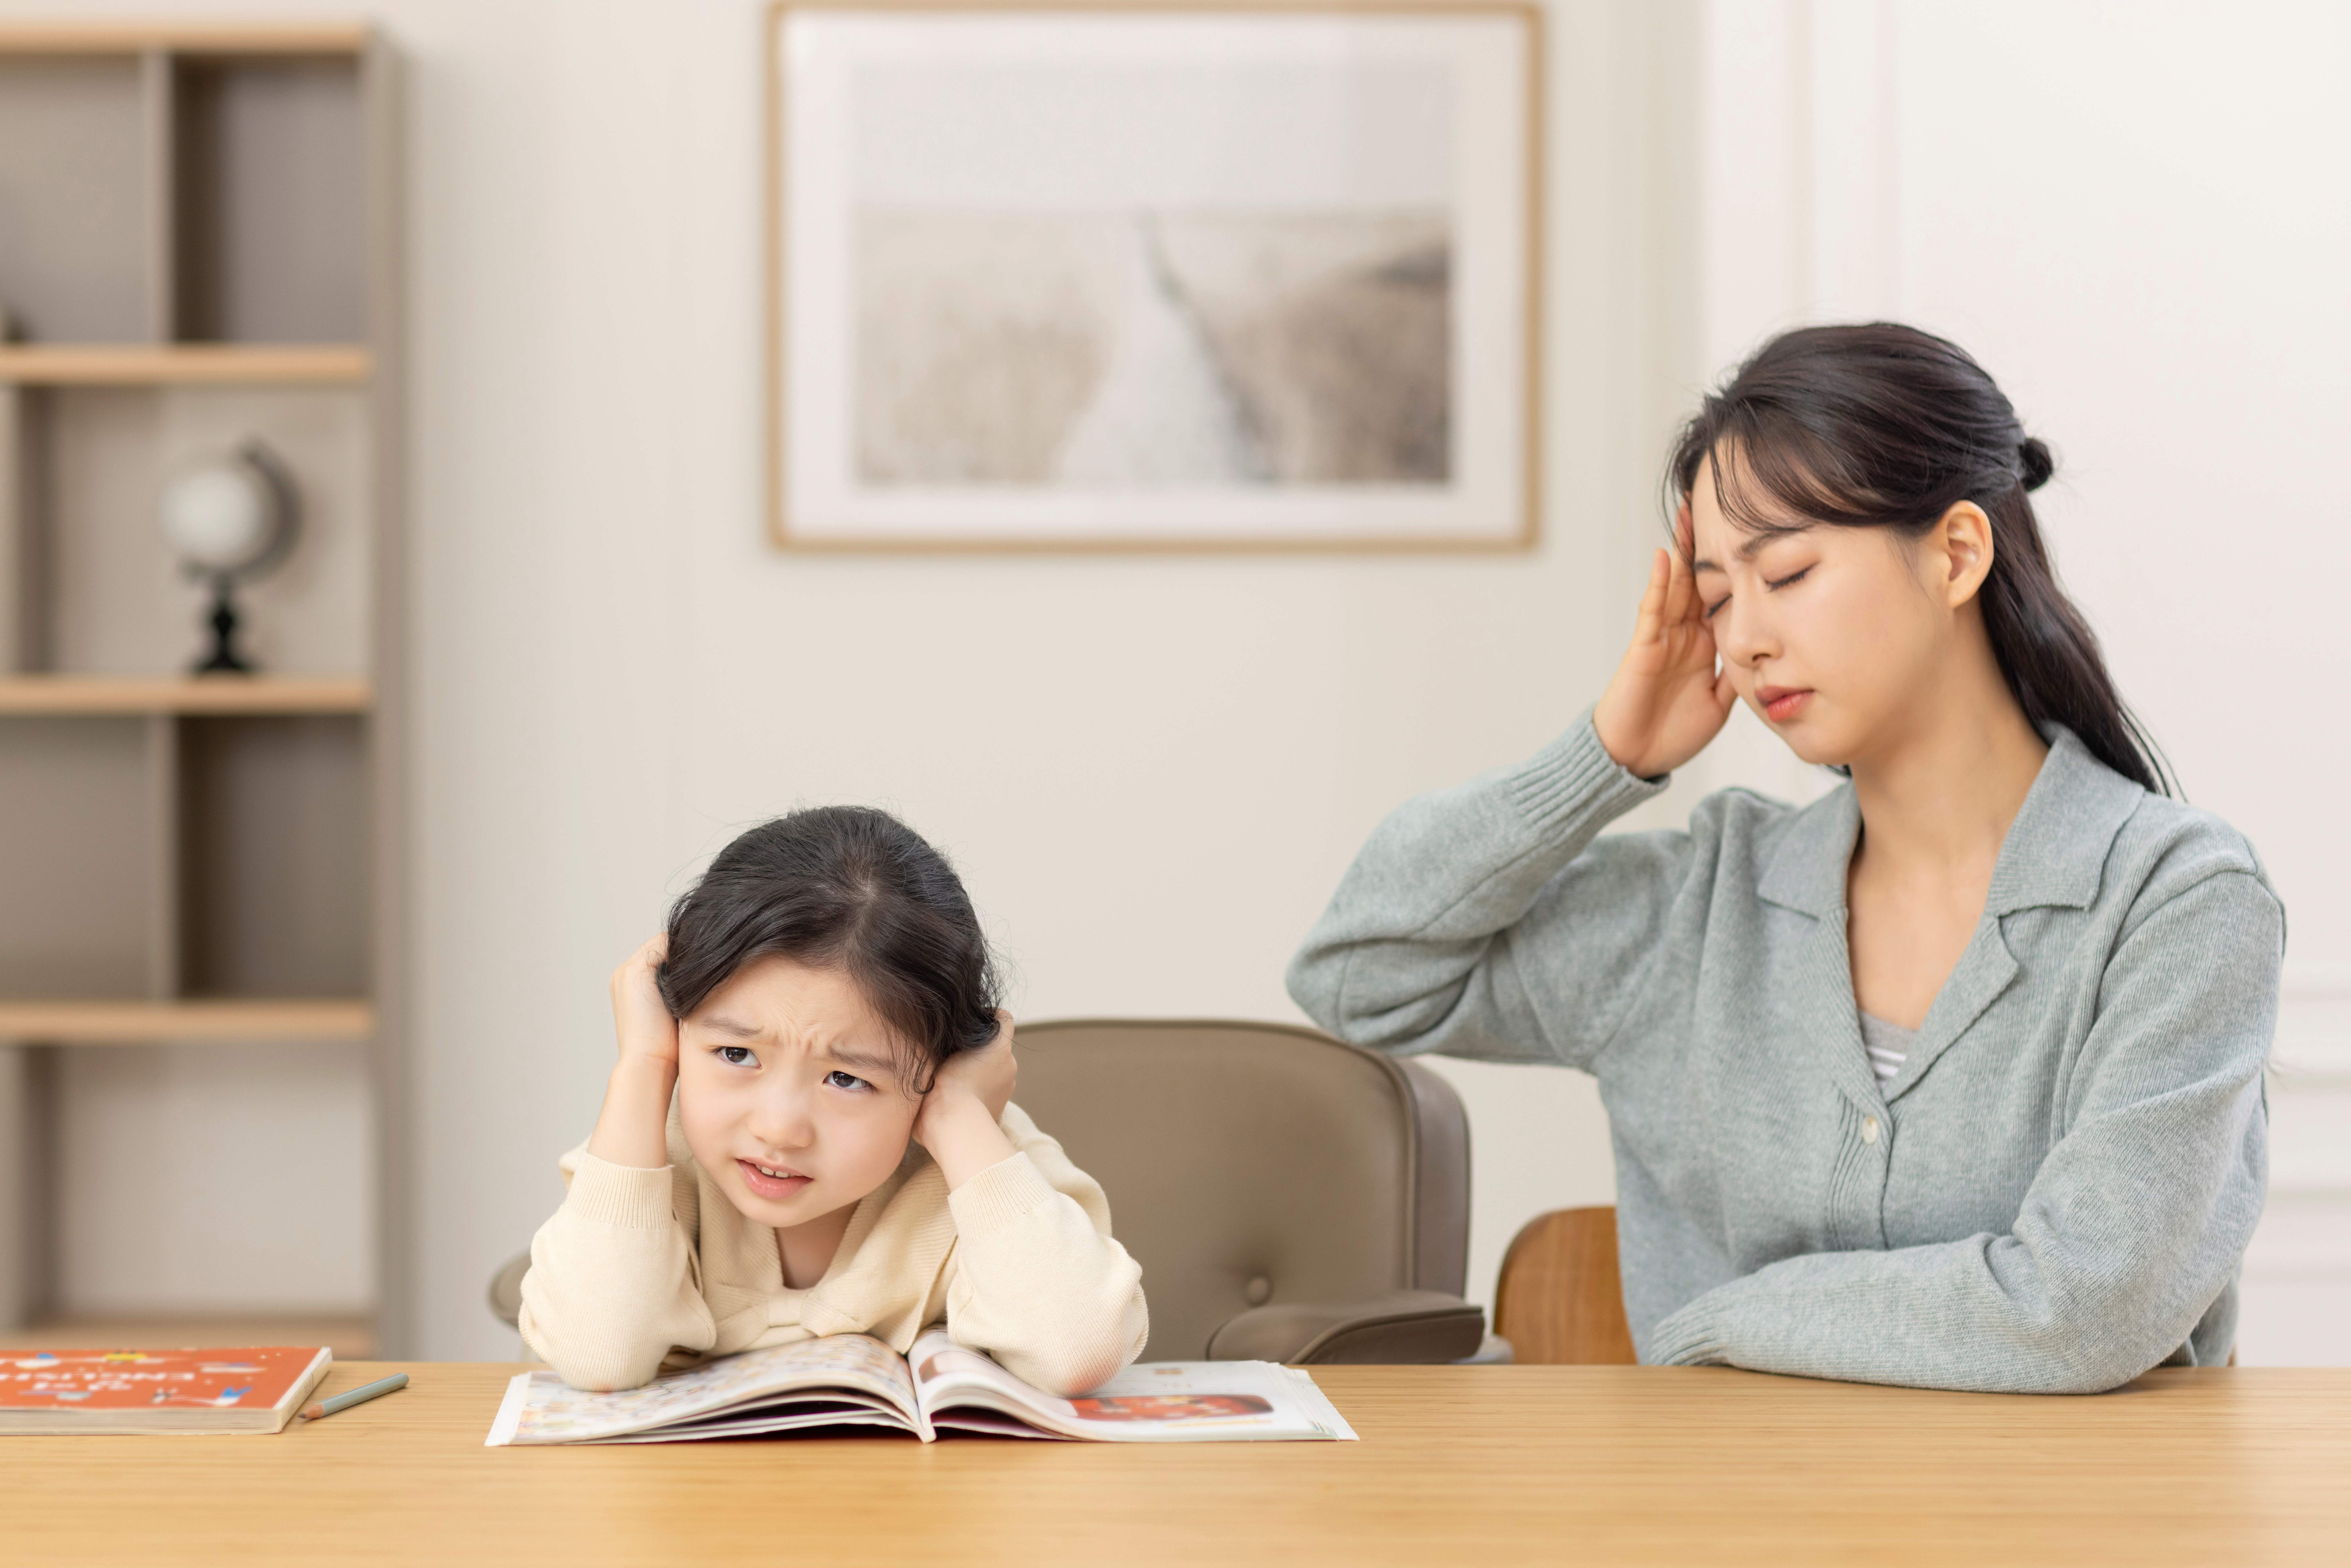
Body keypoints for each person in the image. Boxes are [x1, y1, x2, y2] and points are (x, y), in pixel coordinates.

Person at [1288, 323, 2283, 1394]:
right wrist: (1605, 758)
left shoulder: (2177, 904)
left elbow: (2083, 1307)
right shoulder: (1700, 908)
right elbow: (1358, 971)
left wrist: (1726, 1320)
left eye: (1789, 572)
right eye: (1718, 598)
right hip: (1732, 1496)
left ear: (1957, 553)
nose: (1743, 639)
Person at [519, 806, 1148, 1395]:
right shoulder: (648, 1157)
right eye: (736, 1053)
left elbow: (1079, 1353)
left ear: (941, 1068)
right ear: (676, 1024)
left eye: (847, 1079)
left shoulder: (983, 1169)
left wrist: (957, 1115)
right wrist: (644, 1066)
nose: (779, 1128)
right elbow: (598, 1356)